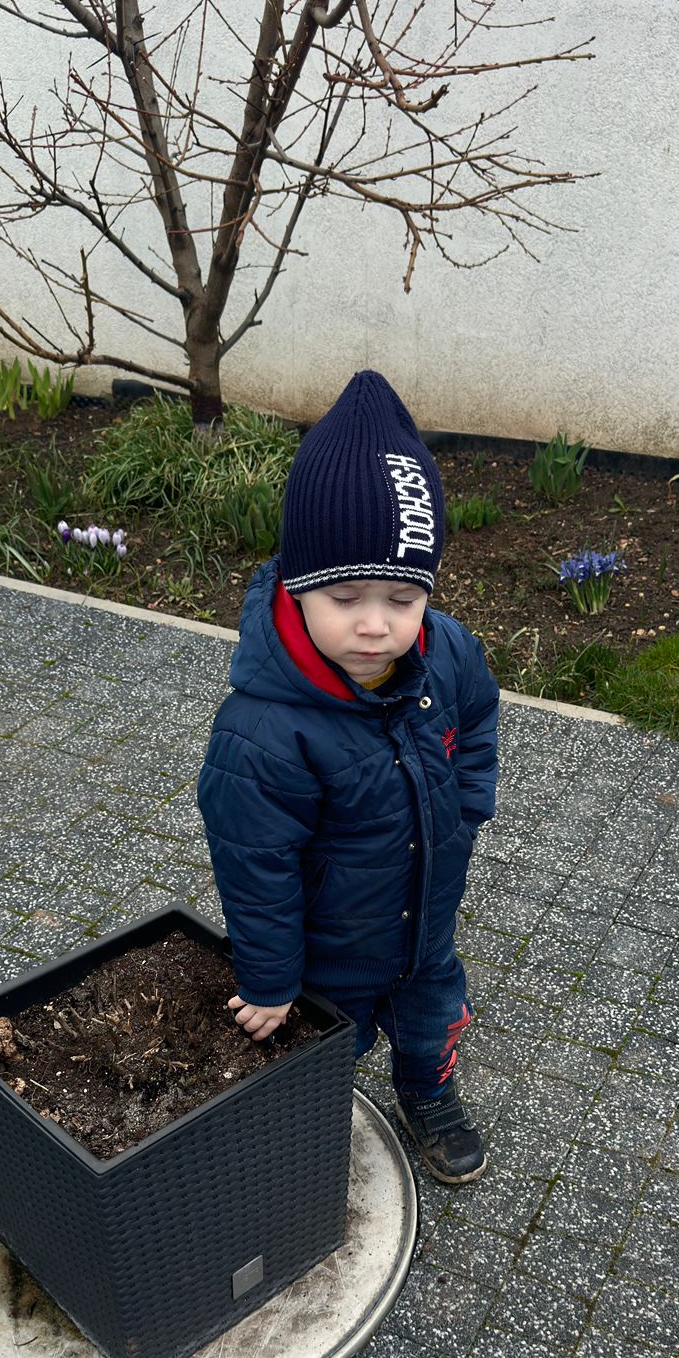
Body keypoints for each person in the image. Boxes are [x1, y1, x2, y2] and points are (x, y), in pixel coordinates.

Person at [196, 369, 499, 1185]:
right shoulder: (264, 730)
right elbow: (255, 867)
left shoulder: (448, 651)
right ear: (299, 587)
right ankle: (309, 1119)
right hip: (331, 949)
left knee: (431, 1019)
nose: (376, 624)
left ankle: (427, 1091)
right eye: (347, 596)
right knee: (322, 1046)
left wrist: (469, 806)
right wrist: (269, 981)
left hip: (424, 919)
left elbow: (477, 716)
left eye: (402, 597)